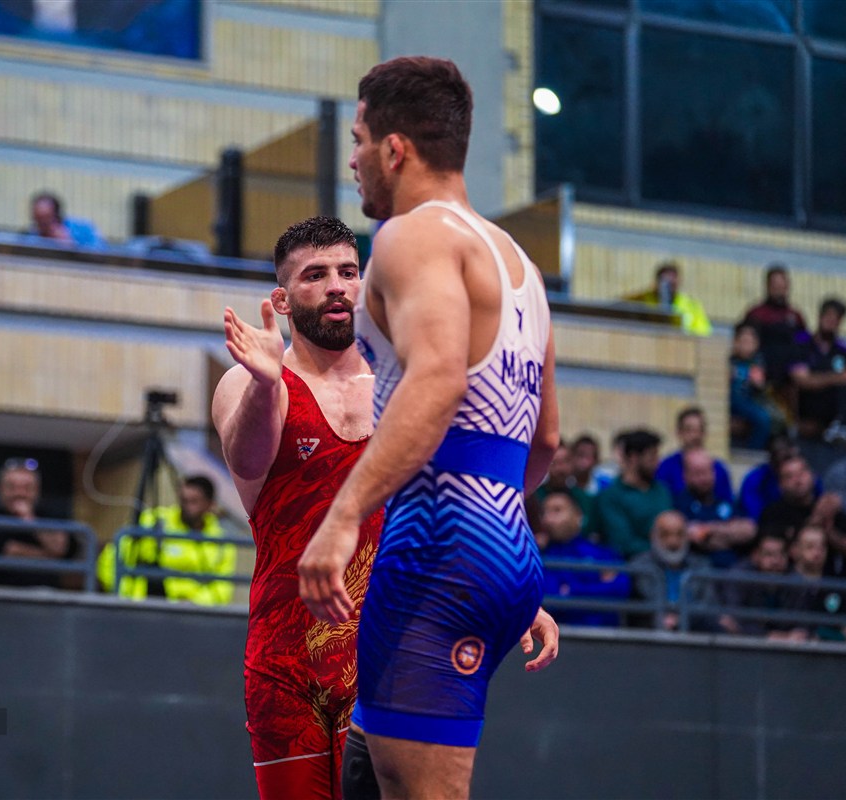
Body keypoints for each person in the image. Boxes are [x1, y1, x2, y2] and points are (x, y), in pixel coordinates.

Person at [295, 57, 560, 799]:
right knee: (368, 767)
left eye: (357, 140)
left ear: (395, 149)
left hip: (439, 546)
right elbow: (545, 440)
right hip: (504, 544)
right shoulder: (521, 266)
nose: (351, 160)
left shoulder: (411, 237)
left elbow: (439, 377)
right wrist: (493, 541)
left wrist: (343, 516)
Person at [210, 216, 384, 799]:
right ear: (282, 300)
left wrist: (510, 587)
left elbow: (445, 503)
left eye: (348, 272)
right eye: (315, 275)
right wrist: (266, 384)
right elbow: (248, 461)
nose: (337, 286)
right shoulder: (248, 384)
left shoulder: (400, 386)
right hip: (285, 665)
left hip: (382, 655)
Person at [95, 475, 235, 605]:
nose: (186, 507)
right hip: (142, 606)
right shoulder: (153, 522)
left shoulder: (221, 542)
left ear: (210, 505)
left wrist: (194, 603)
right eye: (183, 500)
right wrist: (124, 595)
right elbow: (111, 558)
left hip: (192, 614)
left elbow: (222, 588)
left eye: (193, 502)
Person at [0, 458, 75, 587]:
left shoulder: (51, 517)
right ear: (0, 489)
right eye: (11, 487)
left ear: (37, 490)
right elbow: (8, 552)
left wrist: (29, 520)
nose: (19, 493)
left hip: (45, 593)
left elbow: (61, 550)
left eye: (27, 488)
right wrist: (50, 557)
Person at [538, 488, 628, 627]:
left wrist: (571, 590)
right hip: (560, 634)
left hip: (605, 634)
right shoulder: (539, 557)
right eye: (544, 512)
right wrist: (598, 587)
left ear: (578, 515)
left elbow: (621, 589)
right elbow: (552, 599)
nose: (548, 519)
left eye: (557, 510)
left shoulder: (601, 552)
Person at [789, 297, 846, 447]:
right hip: (810, 401)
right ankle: (842, 427)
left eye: (836, 319)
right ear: (820, 317)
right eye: (828, 317)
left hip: (836, 405)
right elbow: (801, 380)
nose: (831, 322)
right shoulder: (802, 343)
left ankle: (845, 428)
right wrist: (839, 377)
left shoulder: (844, 351)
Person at [629, 510, 713, 632]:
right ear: (653, 535)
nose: (673, 542)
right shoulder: (639, 566)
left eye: (679, 534)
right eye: (665, 534)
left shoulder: (701, 566)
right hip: (650, 632)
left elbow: (707, 605)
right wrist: (663, 619)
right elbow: (645, 603)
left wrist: (681, 620)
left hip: (694, 630)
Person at [595, 429, 673, 558]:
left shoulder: (662, 490)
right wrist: (664, 548)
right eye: (652, 457)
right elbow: (623, 543)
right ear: (633, 458)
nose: (657, 463)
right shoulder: (611, 497)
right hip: (632, 564)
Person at [674, 448, 756, 569]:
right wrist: (729, 535)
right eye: (698, 473)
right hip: (698, 572)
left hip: (733, 570)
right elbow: (692, 537)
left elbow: (749, 531)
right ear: (686, 476)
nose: (704, 478)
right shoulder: (680, 505)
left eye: (708, 471)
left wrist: (709, 530)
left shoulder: (724, 501)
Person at [780, 524, 846, 644]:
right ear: (795, 550)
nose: (817, 552)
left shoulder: (836, 585)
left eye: (822, 546)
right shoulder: (782, 583)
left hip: (830, 652)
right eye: (810, 546)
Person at [739, 264, 808, 388]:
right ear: (768, 286)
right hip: (762, 373)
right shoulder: (756, 314)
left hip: (790, 377)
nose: (778, 288)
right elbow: (746, 343)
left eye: (781, 285)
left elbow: (804, 342)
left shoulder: (795, 316)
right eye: (775, 285)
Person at [655, 407, 734, 502]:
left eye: (700, 430)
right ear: (679, 433)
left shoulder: (718, 469)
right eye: (689, 430)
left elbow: (727, 505)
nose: (695, 435)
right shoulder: (666, 468)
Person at [729, 322, 784, 449]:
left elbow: (760, 387)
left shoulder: (757, 362)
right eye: (743, 341)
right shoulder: (729, 359)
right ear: (735, 342)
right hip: (729, 399)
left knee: (763, 419)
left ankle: (753, 450)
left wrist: (757, 382)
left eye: (750, 342)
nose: (746, 346)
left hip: (747, 400)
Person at [625, 261, 712, 336]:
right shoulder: (641, 300)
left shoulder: (691, 305)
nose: (668, 286)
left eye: (672, 282)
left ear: (678, 282)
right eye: (664, 281)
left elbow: (703, 332)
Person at [534, 444, 595, 535]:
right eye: (554, 463)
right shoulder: (535, 498)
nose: (560, 469)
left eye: (565, 462)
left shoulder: (583, 498)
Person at [29, 192, 105, 248]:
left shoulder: (83, 228)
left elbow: (103, 253)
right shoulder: (33, 236)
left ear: (56, 215)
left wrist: (72, 246)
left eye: (46, 218)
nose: (42, 223)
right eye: (38, 219)